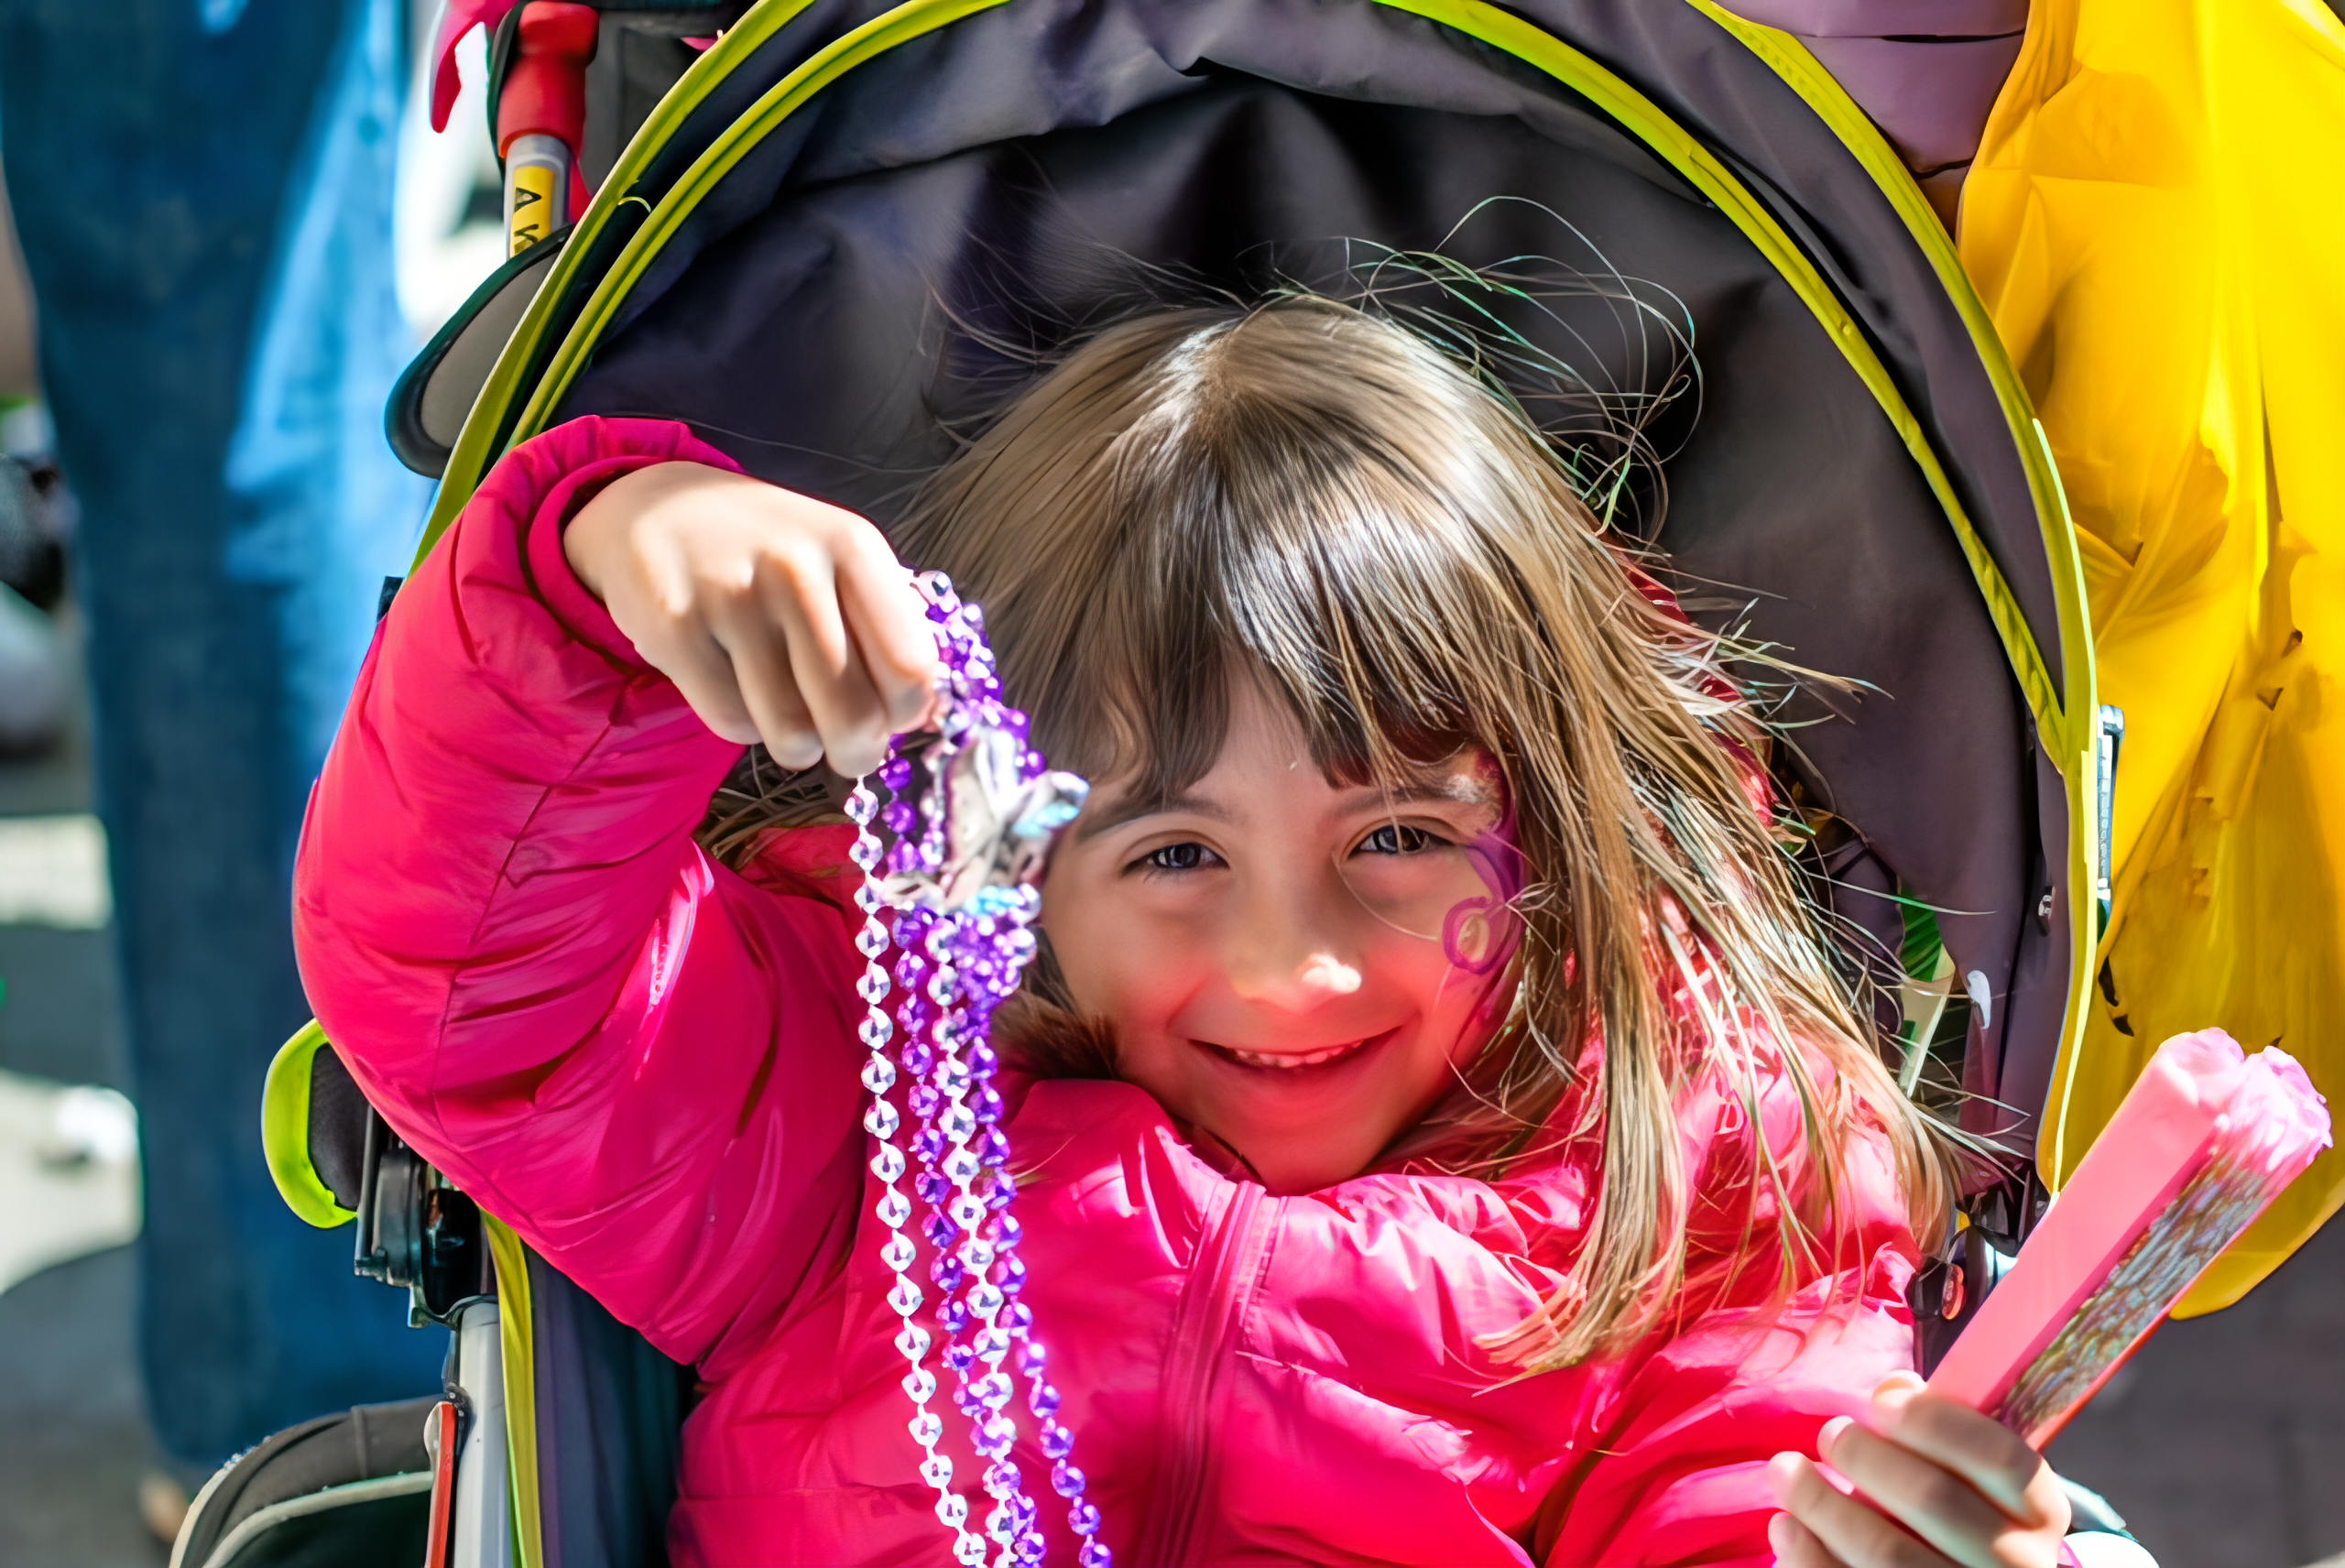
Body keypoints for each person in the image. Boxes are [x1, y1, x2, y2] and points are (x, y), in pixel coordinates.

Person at [295, 297, 2077, 1565]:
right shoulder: (858, 1097)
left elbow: (1731, 1481)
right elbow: (474, 987)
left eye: (1393, 833)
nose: (1287, 963)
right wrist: (613, 553)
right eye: (1169, 854)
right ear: (1018, 847)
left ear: (1547, 818)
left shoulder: (1681, 1163)